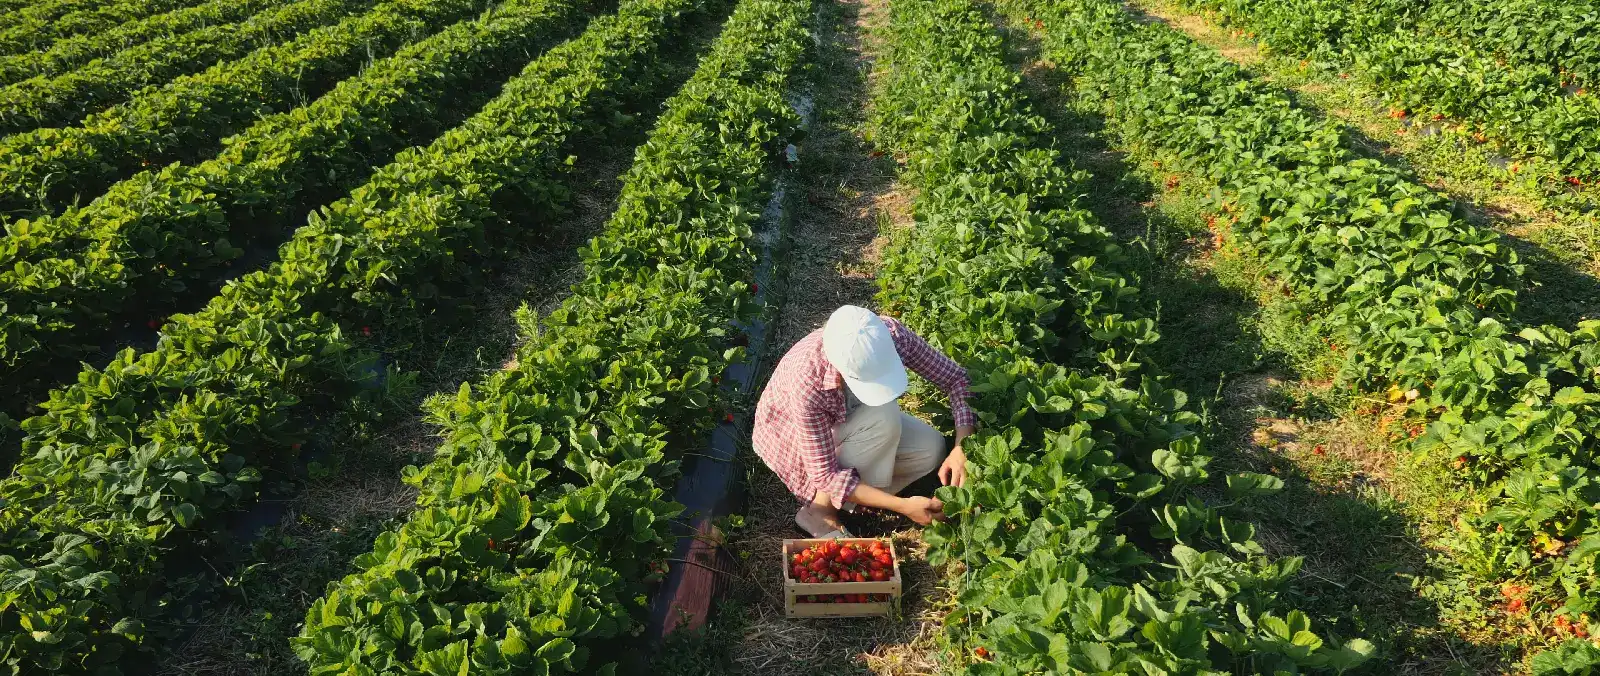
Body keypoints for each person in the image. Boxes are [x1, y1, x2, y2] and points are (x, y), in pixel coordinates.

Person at [753, 305, 975, 538]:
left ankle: (859, 497)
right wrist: (902, 506)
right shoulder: (809, 381)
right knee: (884, 418)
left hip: (856, 419)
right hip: (794, 438)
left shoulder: (890, 336)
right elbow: (824, 474)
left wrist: (961, 447)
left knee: (931, 448)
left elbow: (957, 379)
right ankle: (820, 510)